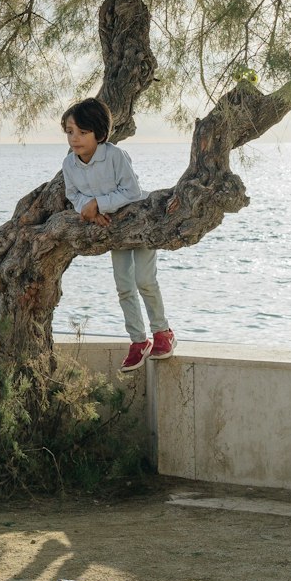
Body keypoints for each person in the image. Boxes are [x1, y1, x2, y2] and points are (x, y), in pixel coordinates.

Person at [61, 97, 175, 375]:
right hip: (113, 229)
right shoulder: (69, 164)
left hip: (140, 221)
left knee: (144, 280)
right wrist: (88, 211)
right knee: (124, 285)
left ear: (99, 133)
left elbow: (132, 192)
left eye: (82, 132)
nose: (75, 138)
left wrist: (98, 204)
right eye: (69, 131)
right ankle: (138, 340)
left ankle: (163, 333)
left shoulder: (114, 155)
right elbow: (73, 195)